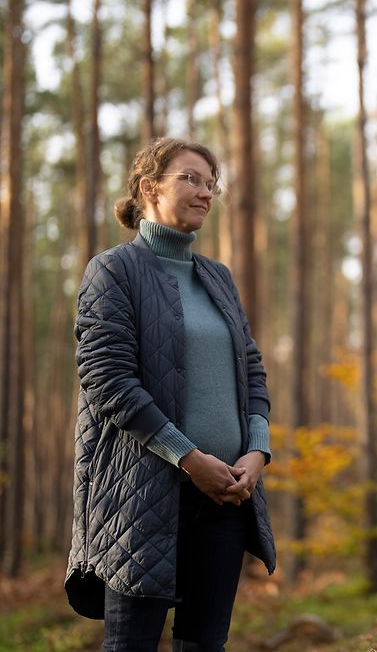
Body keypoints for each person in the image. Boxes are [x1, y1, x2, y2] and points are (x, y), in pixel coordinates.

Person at [66, 137, 275, 651]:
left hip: (227, 494)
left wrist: (257, 450)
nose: (206, 192)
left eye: (211, 184)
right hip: (142, 495)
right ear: (148, 188)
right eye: (190, 178)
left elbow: (251, 370)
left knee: (205, 645)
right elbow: (108, 380)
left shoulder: (217, 278)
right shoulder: (113, 271)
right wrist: (187, 458)